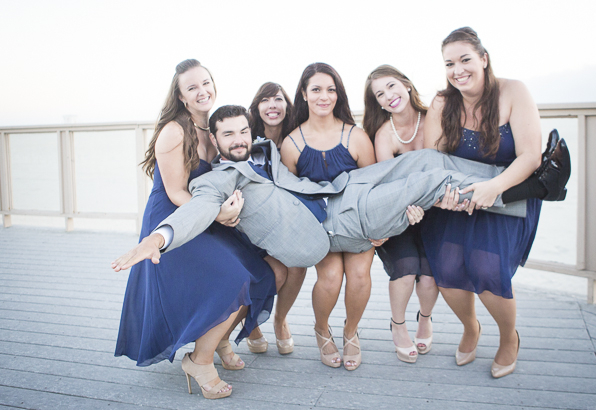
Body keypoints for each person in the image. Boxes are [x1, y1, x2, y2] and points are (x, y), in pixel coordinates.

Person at [112, 103, 568, 280]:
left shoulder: (264, 149)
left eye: (241, 131)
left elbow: (290, 158)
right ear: (213, 139)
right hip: (335, 226)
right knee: (431, 184)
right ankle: (535, 188)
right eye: (226, 135)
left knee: (426, 160)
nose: (236, 140)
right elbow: (193, 211)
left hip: (341, 190)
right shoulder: (216, 182)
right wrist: (158, 238)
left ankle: (515, 173)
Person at [114, 60, 276, 400]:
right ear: (181, 95)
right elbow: (175, 192)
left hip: (206, 214)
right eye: (192, 87)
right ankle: (199, 362)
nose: (202, 91)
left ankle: (215, 343)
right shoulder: (175, 130)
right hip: (176, 216)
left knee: (261, 271)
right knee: (233, 278)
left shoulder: (214, 128)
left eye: (206, 83)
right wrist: (217, 215)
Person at [420, 27, 547, 378]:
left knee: (488, 272)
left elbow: (530, 156)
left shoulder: (513, 91)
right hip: (458, 200)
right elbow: (433, 159)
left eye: (465, 59)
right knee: (446, 272)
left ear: (483, 59)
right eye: (449, 63)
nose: (458, 70)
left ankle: (508, 338)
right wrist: (446, 195)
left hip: (505, 197)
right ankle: (470, 327)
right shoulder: (443, 103)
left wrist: (494, 188)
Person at [279, 63, 385, 370]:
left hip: (357, 224)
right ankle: (321, 329)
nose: (324, 96)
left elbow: (373, 188)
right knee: (330, 277)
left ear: (338, 94)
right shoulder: (292, 143)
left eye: (331, 89)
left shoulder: (357, 136)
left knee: (360, 276)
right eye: (316, 89)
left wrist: (379, 228)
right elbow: (290, 197)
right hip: (320, 228)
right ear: (303, 94)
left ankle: (351, 331)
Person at [363, 64, 440, 363]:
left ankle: (425, 317)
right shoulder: (384, 136)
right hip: (399, 216)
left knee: (430, 278)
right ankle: (398, 325)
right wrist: (406, 213)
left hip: (435, 212)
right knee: (407, 271)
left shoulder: (434, 119)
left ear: (406, 85)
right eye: (380, 94)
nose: (389, 96)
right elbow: (388, 191)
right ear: (378, 103)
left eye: (392, 86)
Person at [245, 82, 305, 354]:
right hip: (251, 218)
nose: (272, 106)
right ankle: (253, 325)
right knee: (254, 268)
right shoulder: (248, 139)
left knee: (298, 265)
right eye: (265, 100)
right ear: (257, 107)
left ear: (287, 104)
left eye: (278, 99)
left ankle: (280, 319)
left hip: (288, 218)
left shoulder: (299, 136)